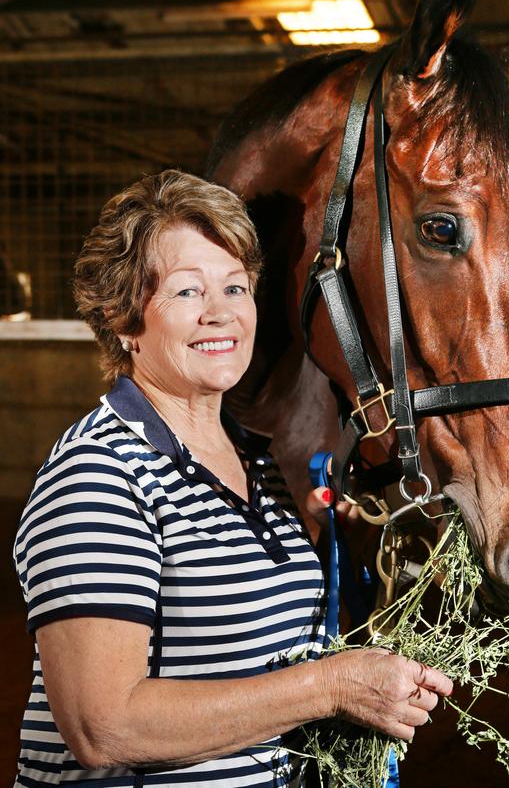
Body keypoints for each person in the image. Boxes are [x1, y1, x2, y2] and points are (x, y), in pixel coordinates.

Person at [13, 169, 452, 788]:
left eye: (236, 289)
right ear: (121, 319)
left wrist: (334, 540)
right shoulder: (98, 476)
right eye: (188, 292)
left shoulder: (256, 462)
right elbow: (102, 726)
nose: (220, 315)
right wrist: (333, 686)